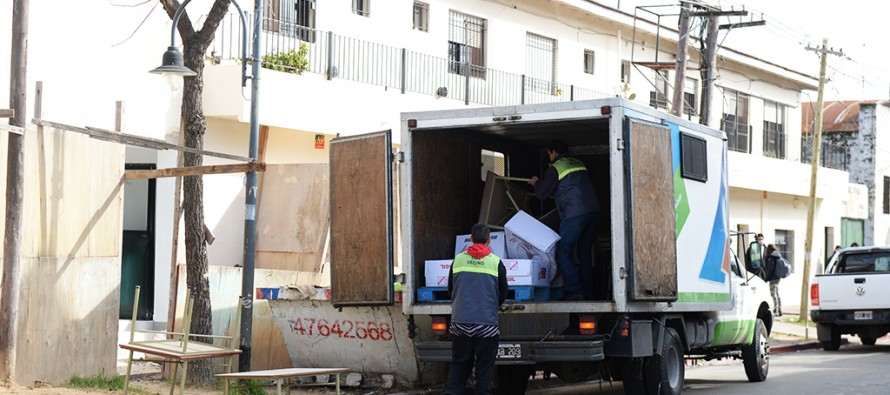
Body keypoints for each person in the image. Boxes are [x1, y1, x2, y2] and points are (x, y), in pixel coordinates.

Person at [528, 139, 600, 301]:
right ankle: (588, 292)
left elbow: (542, 193)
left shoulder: (556, 168)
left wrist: (536, 182)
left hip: (575, 213)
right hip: (593, 211)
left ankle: (576, 291)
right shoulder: (579, 163)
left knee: (563, 252)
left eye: (549, 154)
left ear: (554, 153)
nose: (549, 157)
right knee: (584, 252)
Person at [442, 224, 508, 395]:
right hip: (486, 325)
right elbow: (502, 293)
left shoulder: (458, 260)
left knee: (459, 366)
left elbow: (451, 289)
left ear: (470, 239)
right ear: (489, 240)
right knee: (484, 369)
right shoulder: (496, 262)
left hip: (460, 323)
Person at [764, 244, 784, 317]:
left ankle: (776, 309)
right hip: (777, 278)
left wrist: (766, 278)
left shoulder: (771, 257)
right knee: (777, 293)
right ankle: (779, 308)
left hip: (773, 278)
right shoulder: (777, 255)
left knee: (773, 294)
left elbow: (770, 269)